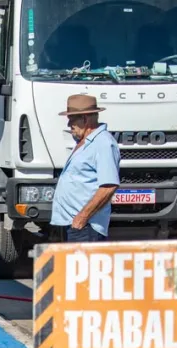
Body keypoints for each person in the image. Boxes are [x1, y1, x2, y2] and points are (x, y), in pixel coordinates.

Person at [49, 94, 121, 243]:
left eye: (72, 119)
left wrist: (82, 217)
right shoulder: (85, 142)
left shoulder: (103, 143)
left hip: (86, 226)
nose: (69, 124)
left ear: (85, 119)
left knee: (84, 266)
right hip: (73, 224)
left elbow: (109, 186)